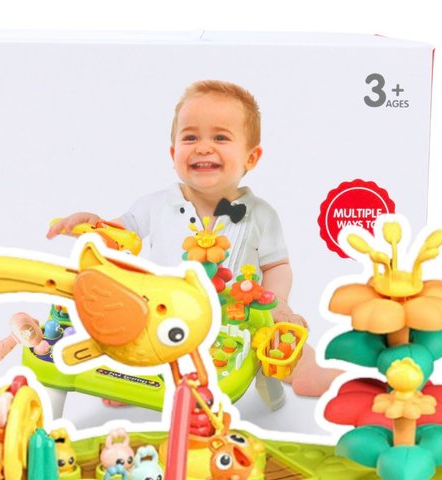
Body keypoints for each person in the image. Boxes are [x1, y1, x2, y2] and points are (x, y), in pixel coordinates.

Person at [48, 79, 305, 327]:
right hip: (163, 323)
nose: (203, 148)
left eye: (220, 137)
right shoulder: (156, 205)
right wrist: (94, 227)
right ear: (173, 154)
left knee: (299, 353)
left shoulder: (262, 214)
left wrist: (278, 302)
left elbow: (277, 266)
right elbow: (118, 237)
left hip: (235, 326)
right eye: (190, 138)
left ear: (251, 158)